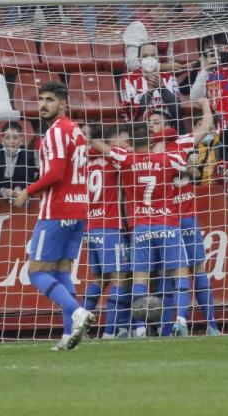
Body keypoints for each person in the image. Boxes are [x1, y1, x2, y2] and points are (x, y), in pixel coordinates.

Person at [13, 82, 95, 351]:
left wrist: (28, 190)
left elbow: (56, 173)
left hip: (56, 210)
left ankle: (76, 311)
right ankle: (69, 334)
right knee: (61, 270)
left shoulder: (56, 132)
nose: (43, 104)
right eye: (41, 99)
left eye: (49, 99)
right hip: (79, 208)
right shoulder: (77, 132)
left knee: (36, 272)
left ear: (62, 103)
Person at [92, 123, 190, 338]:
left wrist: (121, 148)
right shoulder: (167, 157)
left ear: (130, 143)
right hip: (167, 222)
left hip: (140, 226)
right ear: (151, 141)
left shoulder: (125, 158)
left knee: (139, 278)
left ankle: (140, 328)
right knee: (179, 273)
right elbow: (199, 136)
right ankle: (181, 321)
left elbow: (98, 144)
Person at [149, 98, 221, 336]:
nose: (151, 126)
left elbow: (205, 127)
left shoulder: (174, 145)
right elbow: (206, 126)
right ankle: (170, 327)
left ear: (168, 125)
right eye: (149, 122)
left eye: (156, 122)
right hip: (165, 220)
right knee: (168, 273)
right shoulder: (160, 149)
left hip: (179, 217)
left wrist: (205, 107)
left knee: (194, 269)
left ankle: (208, 325)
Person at [82, 124, 131, 340]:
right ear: (110, 141)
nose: (127, 143)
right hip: (110, 226)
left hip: (90, 227)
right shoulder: (114, 158)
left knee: (100, 279)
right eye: (124, 139)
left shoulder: (83, 160)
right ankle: (110, 332)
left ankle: (79, 326)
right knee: (120, 278)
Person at [120, 42, 182, 126]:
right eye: (145, 56)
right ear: (138, 58)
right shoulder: (128, 78)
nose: (149, 59)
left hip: (167, 129)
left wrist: (162, 88)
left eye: (153, 56)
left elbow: (177, 111)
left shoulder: (168, 76)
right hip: (141, 131)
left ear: (158, 58)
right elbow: (131, 115)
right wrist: (149, 93)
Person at [0, 121, 38, 203]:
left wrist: (19, 187)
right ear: (2, 140)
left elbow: (29, 179)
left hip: (20, 194)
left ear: (21, 140)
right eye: (7, 138)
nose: (11, 141)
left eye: (15, 138)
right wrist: (2, 190)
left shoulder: (28, 155)